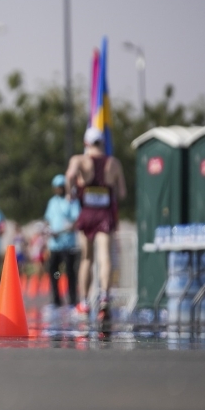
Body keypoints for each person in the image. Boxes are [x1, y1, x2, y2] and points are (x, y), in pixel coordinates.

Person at [66, 126, 126, 322]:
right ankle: (104, 298)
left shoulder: (80, 160)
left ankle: (83, 303)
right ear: (103, 143)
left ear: (86, 143)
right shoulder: (114, 163)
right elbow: (122, 193)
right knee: (104, 257)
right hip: (104, 215)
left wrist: (70, 192)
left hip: (87, 214)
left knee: (86, 259)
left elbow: (70, 176)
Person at [44, 174, 81, 307]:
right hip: (55, 245)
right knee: (55, 272)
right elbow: (48, 219)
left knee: (70, 271)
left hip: (68, 244)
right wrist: (48, 230)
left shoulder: (71, 201)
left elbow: (75, 221)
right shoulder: (52, 202)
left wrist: (62, 231)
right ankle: (56, 299)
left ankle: (72, 299)